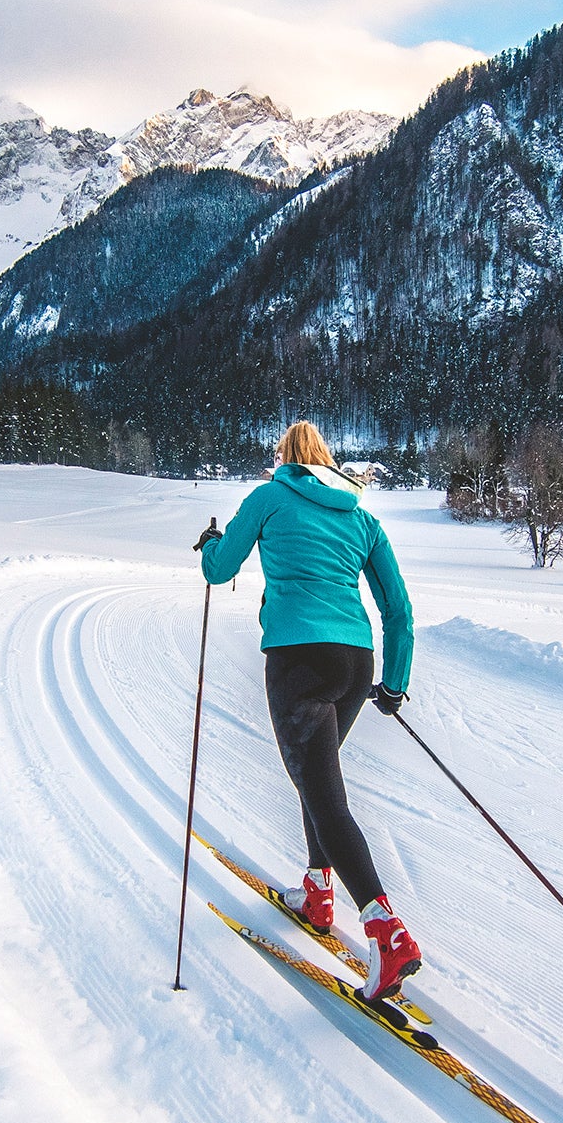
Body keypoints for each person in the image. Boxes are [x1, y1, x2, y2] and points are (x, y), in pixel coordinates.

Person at [196, 420, 420, 1001]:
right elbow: (398, 609)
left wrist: (210, 544)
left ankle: (385, 931)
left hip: (299, 661)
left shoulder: (269, 496)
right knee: (316, 778)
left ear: (286, 459)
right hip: (357, 662)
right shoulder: (362, 516)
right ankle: (318, 890)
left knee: (323, 793)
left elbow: (220, 570)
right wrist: (393, 684)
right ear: (327, 461)